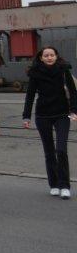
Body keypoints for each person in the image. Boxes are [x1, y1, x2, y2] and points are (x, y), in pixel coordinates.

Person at [22, 46, 77, 199]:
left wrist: (74, 110)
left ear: (56, 56)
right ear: (41, 58)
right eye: (46, 55)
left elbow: (73, 92)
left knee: (61, 150)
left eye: (52, 55)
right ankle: (54, 184)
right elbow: (30, 96)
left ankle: (65, 185)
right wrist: (26, 116)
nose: (49, 57)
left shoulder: (64, 70)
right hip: (43, 115)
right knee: (49, 151)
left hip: (62, 114)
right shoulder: (36, 73)